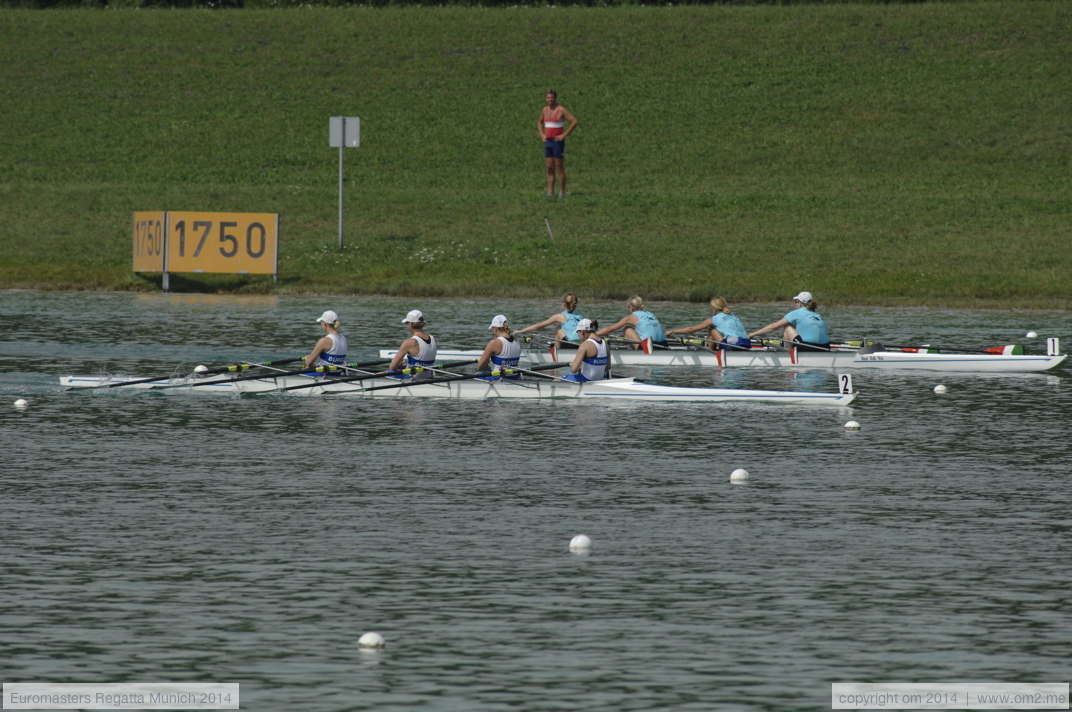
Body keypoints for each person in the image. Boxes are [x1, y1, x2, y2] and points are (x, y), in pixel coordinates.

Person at [749, 291, 831, 351]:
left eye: (796, 302)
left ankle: (788, 353)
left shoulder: (796, 313)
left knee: (788, 327)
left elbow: (774, 327)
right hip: (826, 347)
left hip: (808, 347)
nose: (795, 304)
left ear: (800, 303)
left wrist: (753, 333)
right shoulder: (817, 314)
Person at [665, 297, 752, 350]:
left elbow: (690, 330)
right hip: (747, 344)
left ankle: (710, 353)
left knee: (712, 329)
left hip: (735, 347)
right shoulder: (733, 316)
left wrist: (673, 331)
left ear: (714, 307)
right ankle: (713, 349)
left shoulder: (714, 319)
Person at [538, 89, 578, 199]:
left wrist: (564, 135)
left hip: (557, 142)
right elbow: (540, 122)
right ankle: (550, 192)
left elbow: (574, 121)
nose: (550, 99)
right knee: (549, 168)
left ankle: (561, 192)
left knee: (559, 167)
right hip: (548, 142)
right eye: (548, 97)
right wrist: (542, 134)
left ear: (555, 98)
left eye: (552, 97)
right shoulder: (545, 110)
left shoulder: (561, 110)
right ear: (546, 99)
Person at [514, 293, 585, 347]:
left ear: (563, 304)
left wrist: (520, 331)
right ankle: (556, 345)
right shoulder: (580, 316)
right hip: (582, 344)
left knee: (558, 328)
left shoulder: (560, 316)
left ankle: (556, 351)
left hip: (571, 346)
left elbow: (538, 326)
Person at [596, 296, 667, 349]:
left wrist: (594, 334)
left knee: (627, 329)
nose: (627, 308)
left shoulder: (632, 317)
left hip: (650, 348)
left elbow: (609, 329)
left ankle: (633, 354)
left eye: (628, 306)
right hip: (664, 345)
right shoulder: (650, 313)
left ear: (631, 307)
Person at [389, 309, 438, 379]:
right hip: (428, 376)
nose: (407, 326)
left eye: (407, 323)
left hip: (412, 378)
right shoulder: (433, 338)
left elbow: (392, 367)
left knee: (389, 372)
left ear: (411, 324)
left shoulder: (409, 342)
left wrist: (397, 364)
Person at [476, 315, 523, 380]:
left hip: (498, 378)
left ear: (495, 328)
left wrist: (488, 368)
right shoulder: (517, 340)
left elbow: (479, 366)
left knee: (477, 374)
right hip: (514, 376)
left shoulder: (494, 343)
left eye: (492, 328)